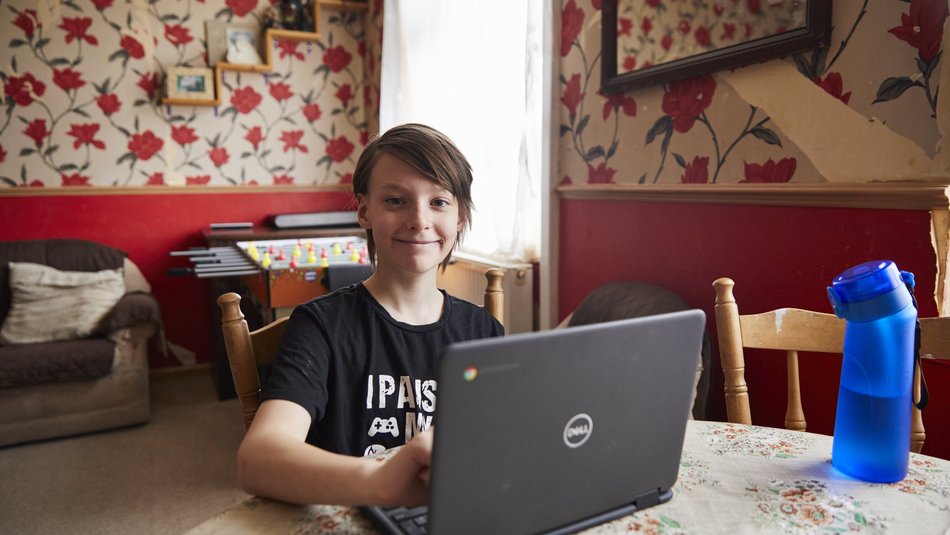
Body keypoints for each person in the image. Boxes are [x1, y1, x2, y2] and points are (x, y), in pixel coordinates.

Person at [236, 123, 504, 507]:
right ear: (364, 210)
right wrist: (379, 483)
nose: (419, 220)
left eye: (439, 202)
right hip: (351, 510)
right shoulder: (321, 326)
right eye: (396, 200)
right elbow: (256, 461)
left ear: (460, 216)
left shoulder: (483, 331)